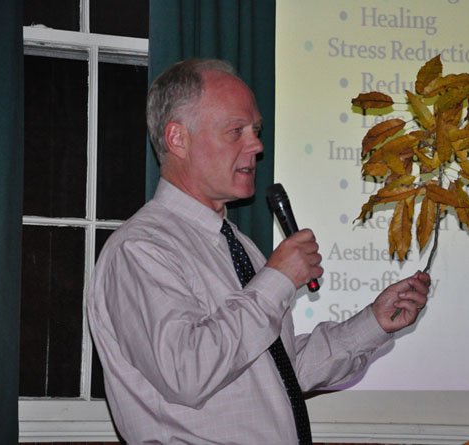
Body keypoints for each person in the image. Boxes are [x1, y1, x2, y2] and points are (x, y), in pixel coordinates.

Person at [87, 58, 431, 444]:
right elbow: (187, 373)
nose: (256, 145)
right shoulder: (141, 250)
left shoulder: (238, 245)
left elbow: (280, 370)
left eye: (256, 130)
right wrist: (278, 280)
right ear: (177, 138)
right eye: (237, 131)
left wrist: (373, 323)